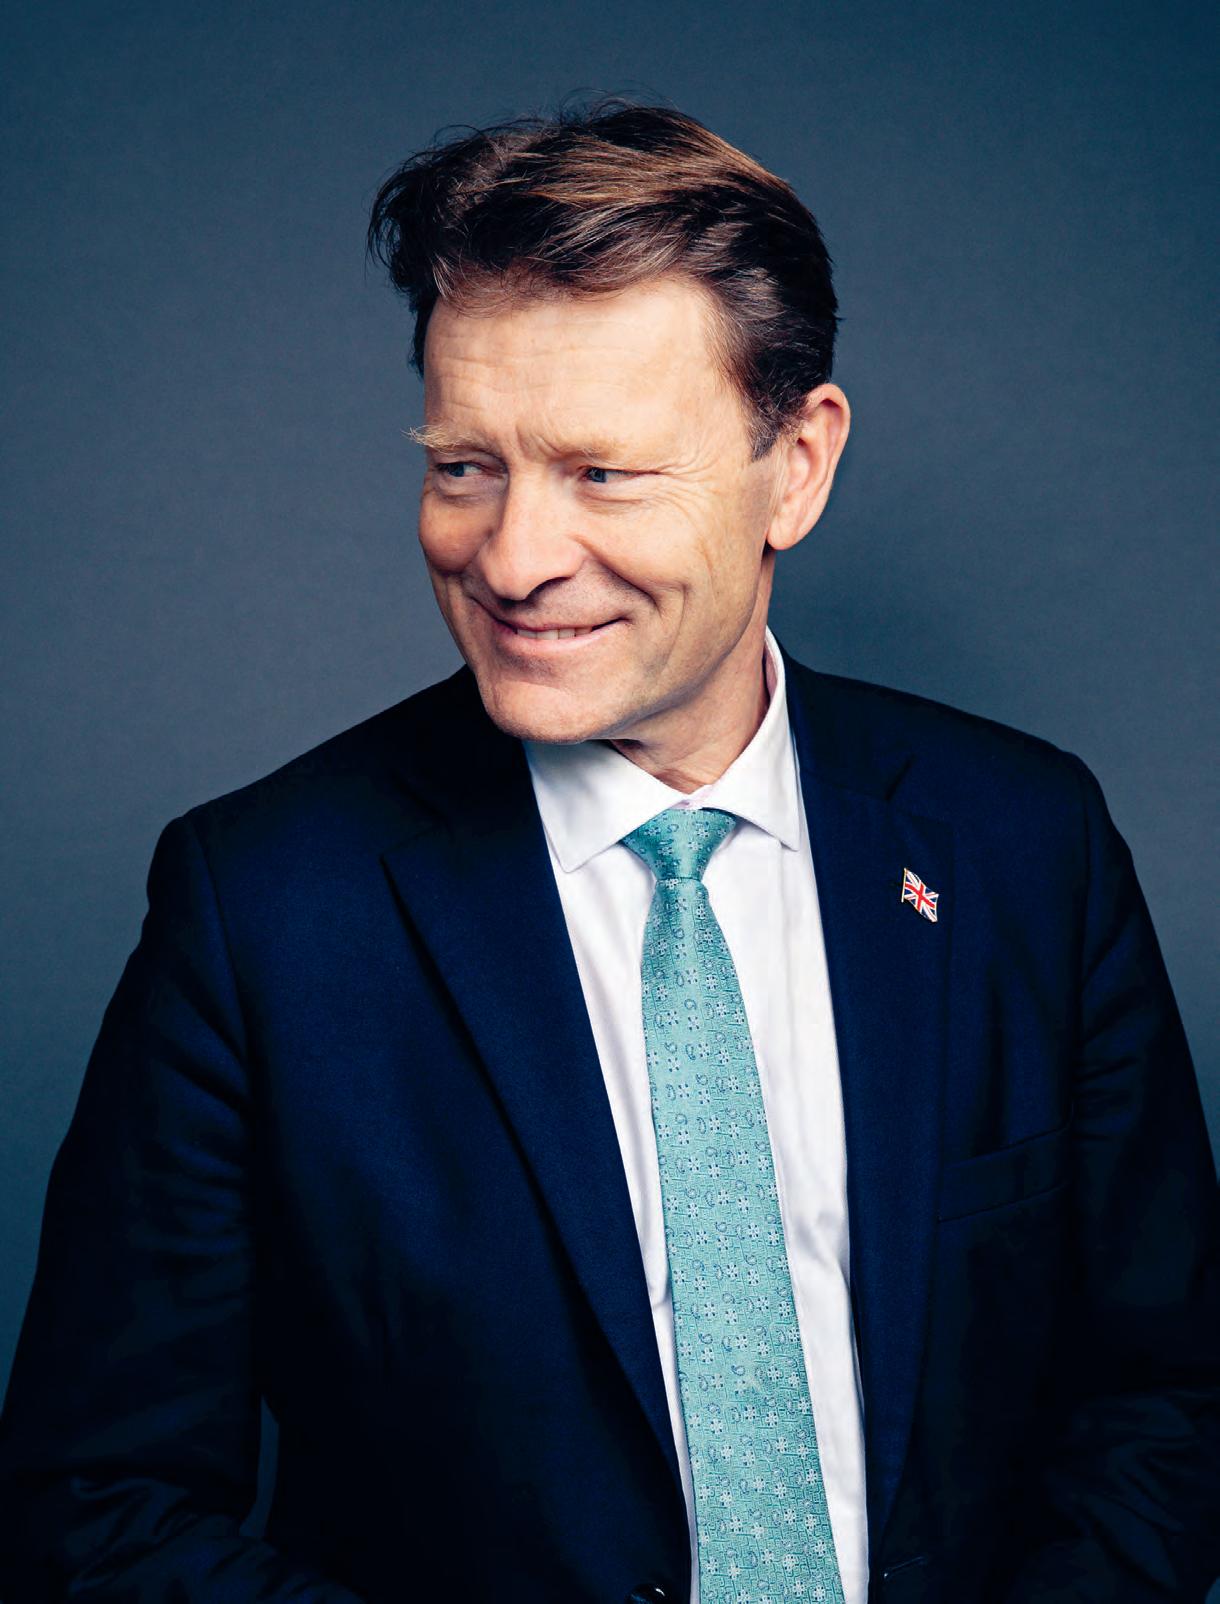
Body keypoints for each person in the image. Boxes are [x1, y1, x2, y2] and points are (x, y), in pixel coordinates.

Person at [0, 97, 1217, 1604]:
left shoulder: (1027, 845)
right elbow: (100, 1504)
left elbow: (1165, 1400)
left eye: (604, 473)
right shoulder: (261, 911)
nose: (512, 559)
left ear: (797, 466)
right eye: (465, 465)